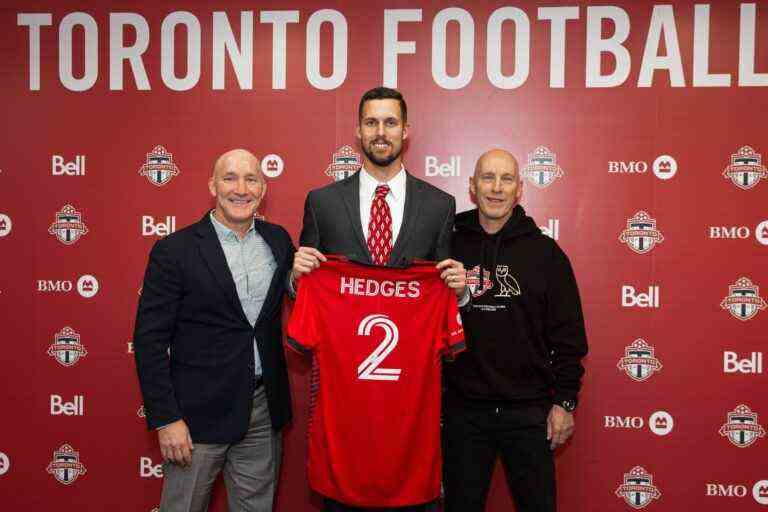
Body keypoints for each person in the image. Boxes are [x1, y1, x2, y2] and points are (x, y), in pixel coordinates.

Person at [290, 86, 468, 512]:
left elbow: (439, 294)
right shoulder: (322, 202)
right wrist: (297, 280)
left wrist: (459, 292)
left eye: (390, 122)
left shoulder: (440, 205)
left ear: (406, 131)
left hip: (409, 409)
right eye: (371, 122)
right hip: (344, 406)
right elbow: (308, 289)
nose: (381, 132)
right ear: (358, 131)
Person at [133, 149, 294, 512]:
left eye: (251, 179)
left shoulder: (279, 241)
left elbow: (299, 293)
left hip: (263, 409)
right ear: (212, 186)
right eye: (230, 178)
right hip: (195, 416)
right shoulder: (175, 250)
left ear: (263, 188)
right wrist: (167, 418)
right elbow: (149, 340)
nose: (241, 189)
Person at [442, 149, 588, 512]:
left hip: (528, 413)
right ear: (472, 187)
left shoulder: (546, 254)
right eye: (487, 178)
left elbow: (569, 338)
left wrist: (564, 402)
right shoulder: (447, 243)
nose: (496, 188)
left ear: (519, 189)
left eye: (506, 179)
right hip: (463, 411)